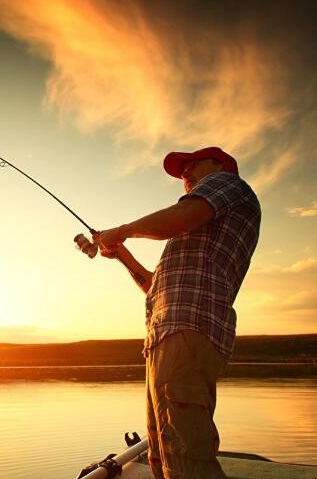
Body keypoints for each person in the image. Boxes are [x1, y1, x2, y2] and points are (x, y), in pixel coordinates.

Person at [95, 146, 261, 479]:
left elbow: (179, 219)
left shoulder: (227, 184)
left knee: (186, 457)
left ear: (222, 165)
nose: (186, 172)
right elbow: (156, 288)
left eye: (194, 164)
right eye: (183, 170)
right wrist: (123, 254)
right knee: (163, 452)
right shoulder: (200, 228)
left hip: (187, 331)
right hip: (169, 335)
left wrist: (122, 230)